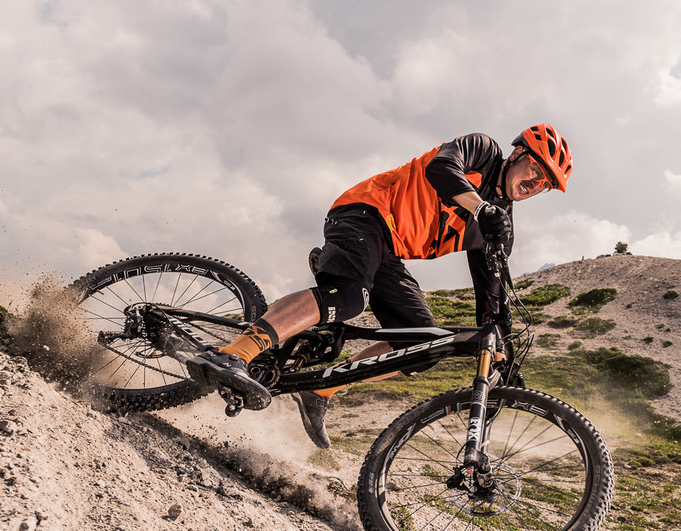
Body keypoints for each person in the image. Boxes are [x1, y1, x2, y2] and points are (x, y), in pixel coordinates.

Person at [186, 124, 573, 449]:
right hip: (365, 213)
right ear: (517, 152)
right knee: (350, 297)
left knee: (422, 346)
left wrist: (503, 356)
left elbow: (490, 299)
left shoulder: (497, 227)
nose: (536, 183)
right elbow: (441, 168)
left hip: (390, 254)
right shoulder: (483, 151)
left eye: (545, 185)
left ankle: (319, 391)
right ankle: (233, 353)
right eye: (535, 170)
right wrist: (481, 209)